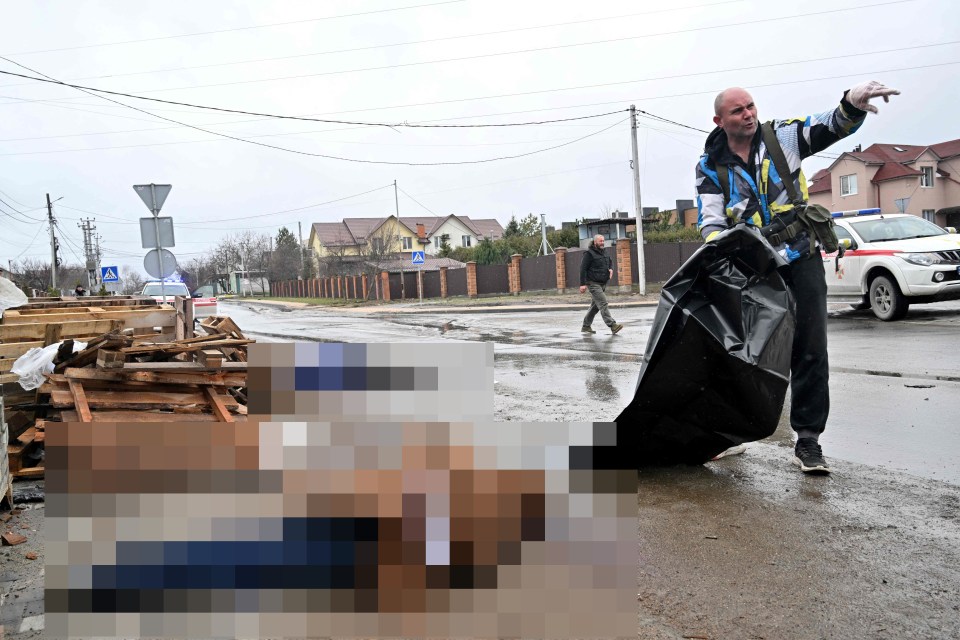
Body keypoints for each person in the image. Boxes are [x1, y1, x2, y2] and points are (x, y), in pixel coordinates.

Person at [696, 81, 899, 474]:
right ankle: (729, 433)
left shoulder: (782, 135)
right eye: (738, 111)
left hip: (801, 255)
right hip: (754, 267)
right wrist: (718, 250)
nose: (749, 114)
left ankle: (807, 440)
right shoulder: (710, 164)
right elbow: (711, 219)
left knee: (810, 347)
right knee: (743, 352)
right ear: (720, 120)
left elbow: (829, 126)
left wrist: (851, 105)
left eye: (751, 106)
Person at [579, 234, 623, 335]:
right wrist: (582, 284)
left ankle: (586, 326)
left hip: (603, 283)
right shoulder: (589, 254)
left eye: (603, 241)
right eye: (600, 241)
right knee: (603, 303)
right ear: (595, 242)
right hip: (593, 283)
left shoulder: (604, 252)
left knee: (595, 306)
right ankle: (612, 325)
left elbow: (610, 261)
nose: (602, 243)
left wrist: (611, 269)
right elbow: (582, 269)